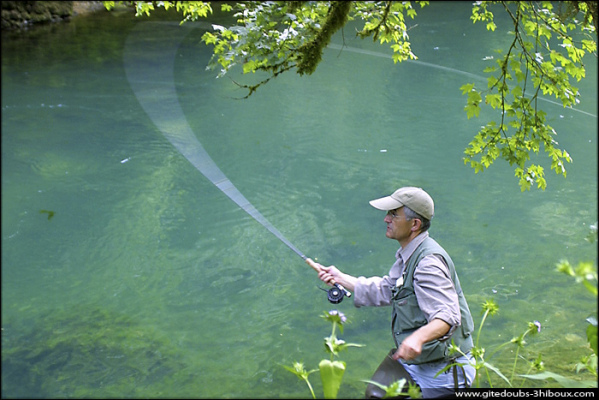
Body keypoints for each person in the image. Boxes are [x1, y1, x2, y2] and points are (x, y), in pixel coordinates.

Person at [311, 186, 476, 398]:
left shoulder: (427, 264)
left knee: (378, 394)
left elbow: (447, 316)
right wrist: (341, 278)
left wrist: (417, 339)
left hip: (444, 371)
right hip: (421, 363)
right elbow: (389, 288)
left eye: (393, 214)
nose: (386, 219)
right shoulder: (410, 252)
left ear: (414, 224)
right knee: (375, 392)